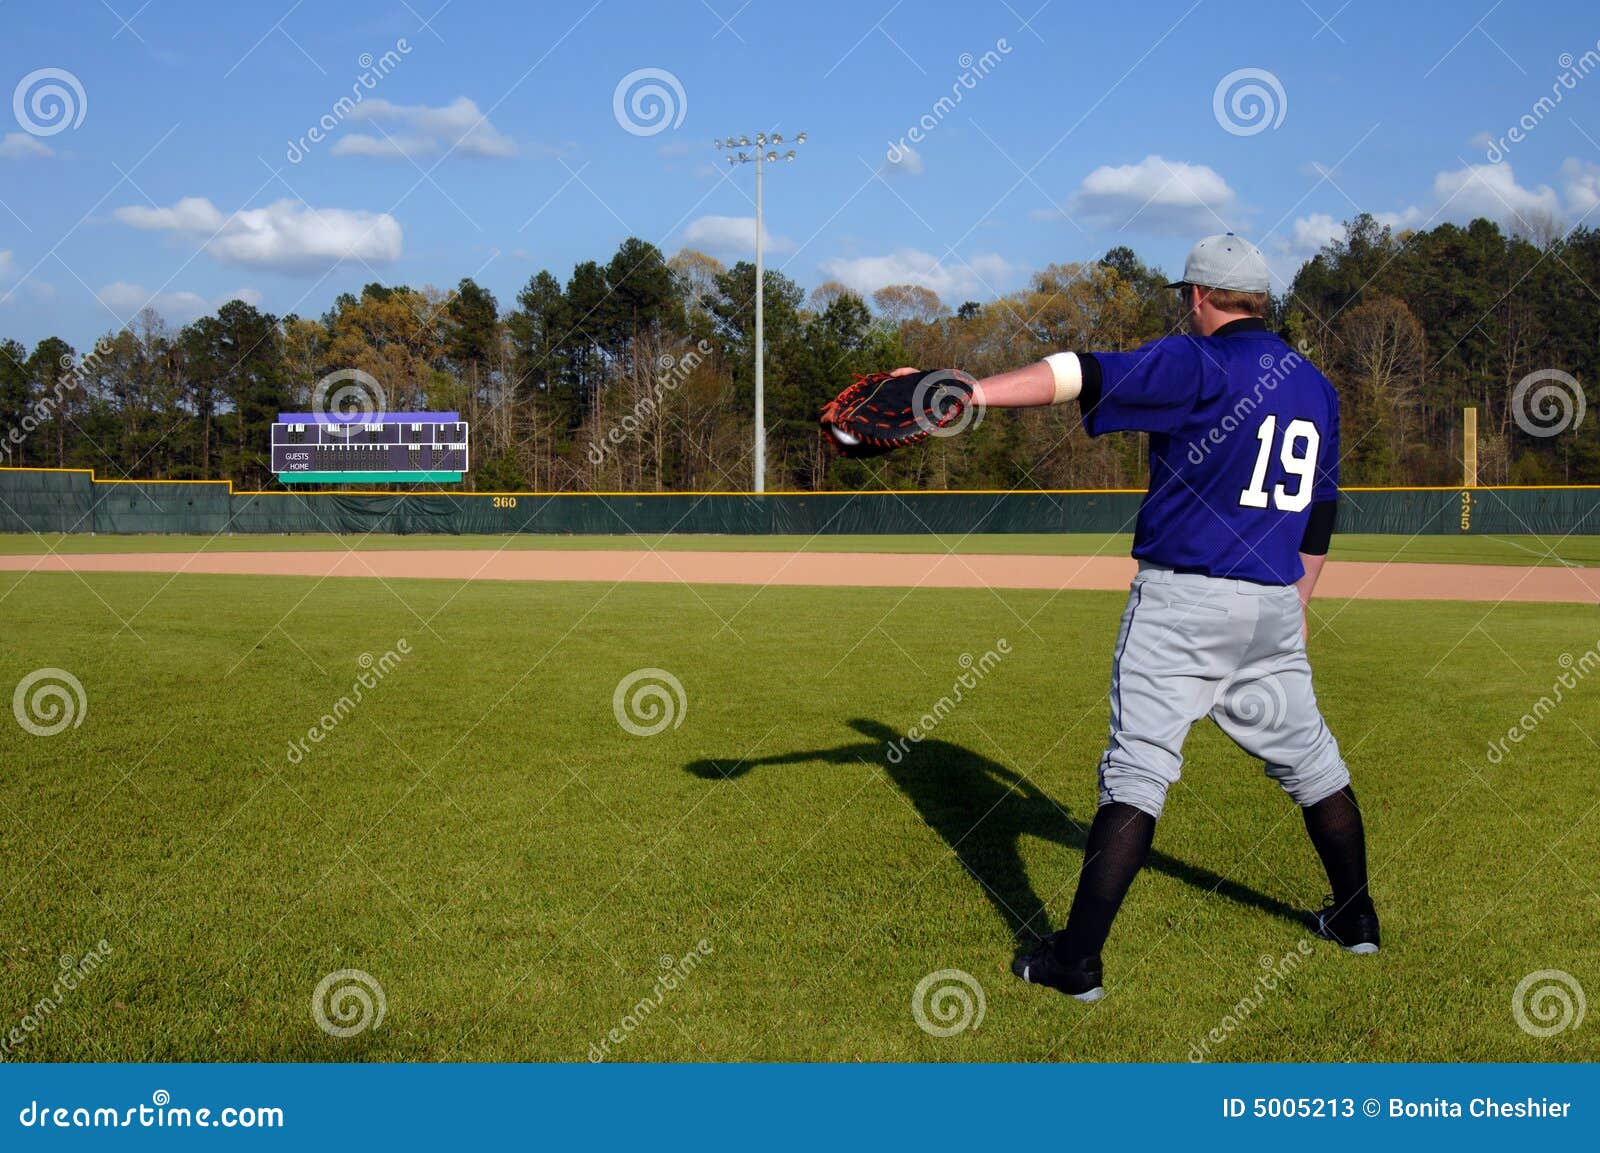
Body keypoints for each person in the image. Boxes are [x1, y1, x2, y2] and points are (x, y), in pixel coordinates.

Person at [906, 233, 1378, 1002]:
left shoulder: (1196, 359)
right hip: (1273, 602)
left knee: (1138, 772)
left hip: (1184, 601)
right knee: (1314, 766)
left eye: (1185, 297)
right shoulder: (1314, 385)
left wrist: (972, 392)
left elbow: (1077, 373)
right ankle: (1357, 921)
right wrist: (1295, 609)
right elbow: (1320, 517)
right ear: (1261, 299)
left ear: (1198, 296)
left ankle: (1075, 962)